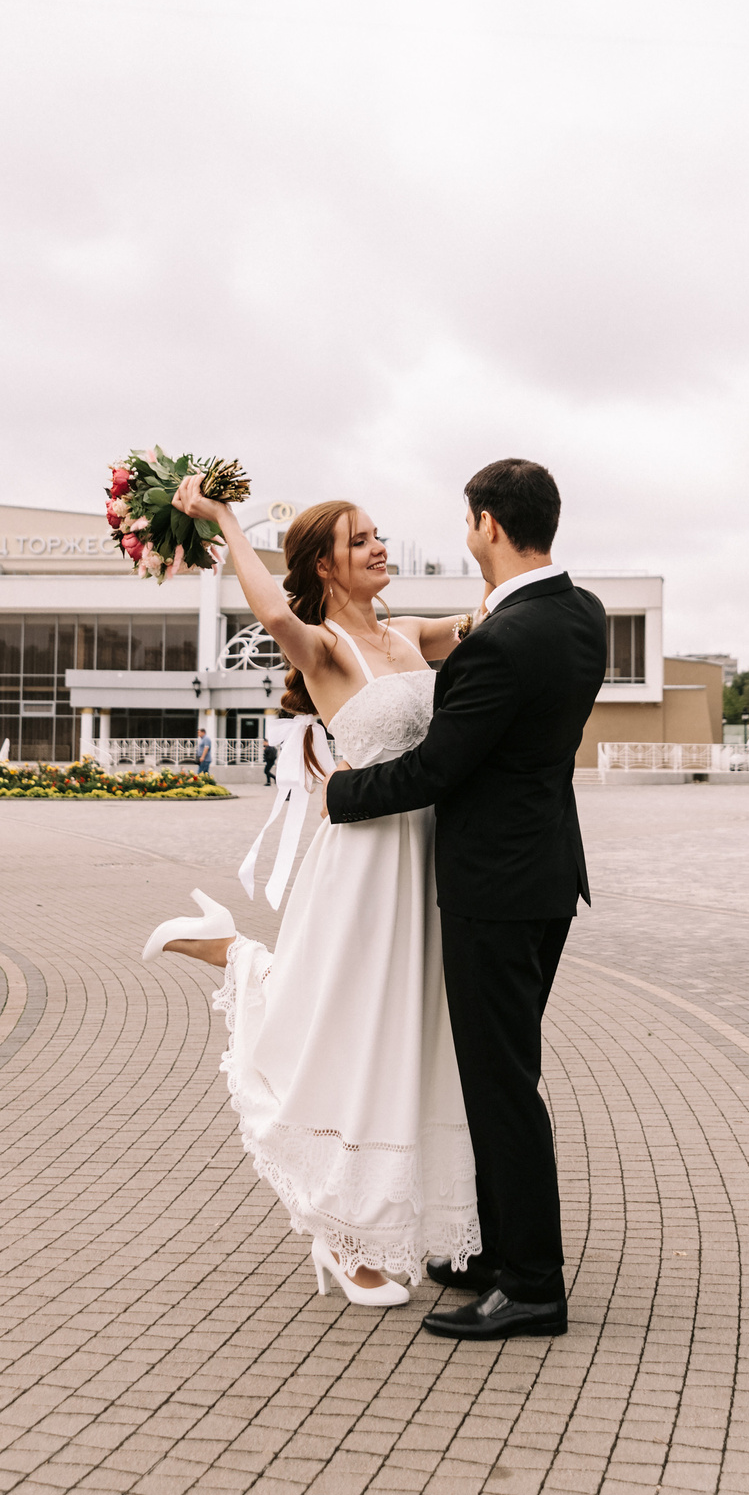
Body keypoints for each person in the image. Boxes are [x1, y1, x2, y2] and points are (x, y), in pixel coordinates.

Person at [147, 482, 487, 1307]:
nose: (379, 546)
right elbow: (271, 613)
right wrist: (222, 519)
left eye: (377, 534)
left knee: (407, 1028)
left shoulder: (410, 634)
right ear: (326, 567)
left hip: (425, 857)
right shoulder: (328, 647)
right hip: (365, 861)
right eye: (359, 540)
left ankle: (393, 1218)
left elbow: (490, 618)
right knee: (349, 1030)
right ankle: (340, 1235)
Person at [318, 459, 606, 1342]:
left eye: (465, 522)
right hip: (547, 877)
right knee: (497, 1073)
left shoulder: (503, 640)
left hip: (493, 889)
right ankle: (489, 1254)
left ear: (486, 523)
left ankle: (531, 1282)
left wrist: (341, 795)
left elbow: (439, 768)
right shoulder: (582, 614)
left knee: (501, 1084)